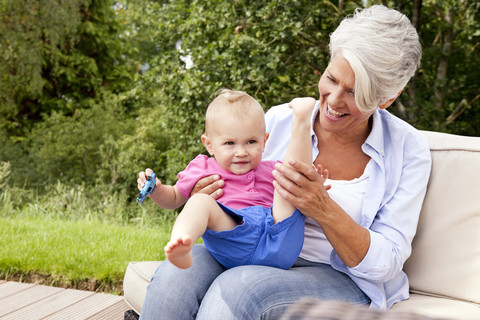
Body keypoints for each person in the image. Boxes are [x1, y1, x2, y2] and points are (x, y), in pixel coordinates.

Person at [138, 5, 432, 319]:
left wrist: (322, 206)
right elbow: (235, 178)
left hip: (339, 277)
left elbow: (386, 263)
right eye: (331, 78)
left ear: (386, 98)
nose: (332, 100)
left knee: (239, 289)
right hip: (252, 247)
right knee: (173, 278)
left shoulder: (407, 150)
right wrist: (206, 193)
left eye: (355, 93)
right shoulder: (278, 120)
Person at [137, 89, 323, 270]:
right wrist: (157, 190)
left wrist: (313, 185)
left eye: (251, 142)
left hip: (278, 239)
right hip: (234, 240)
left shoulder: (272, 168)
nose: (241, 152)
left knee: (289, 179)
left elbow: (295, 186)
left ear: (265, 142)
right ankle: (181, 243)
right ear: (209, 145)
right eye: (229, 143)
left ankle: (301, 120)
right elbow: (174, 198)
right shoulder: (203, 168)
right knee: (200, 201)